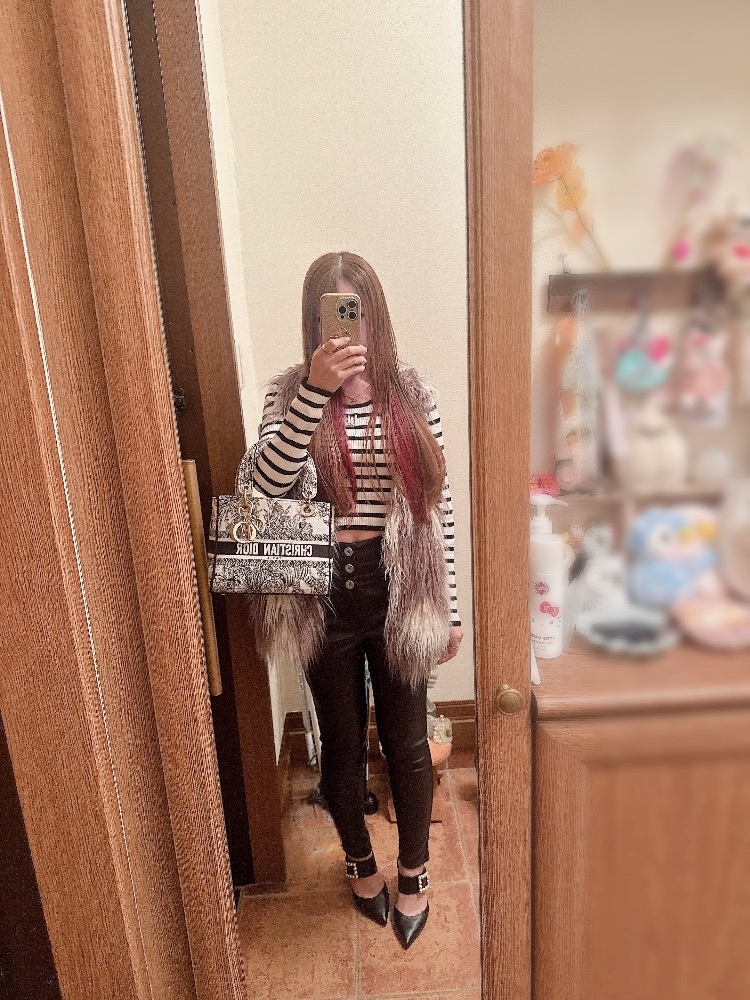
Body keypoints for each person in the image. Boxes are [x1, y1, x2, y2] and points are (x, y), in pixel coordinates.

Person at [247, 251, 463, 949]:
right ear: (313, 322)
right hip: (323, 595)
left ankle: (414, 872)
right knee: (342, 747)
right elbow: (266, 486)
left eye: (355, 311)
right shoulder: (288, 395)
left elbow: (436, 508)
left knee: (407, 743)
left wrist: (451, 609)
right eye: (330, 314)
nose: (345, 327)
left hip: (401, 589)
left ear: (376, 314)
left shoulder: (412, 393)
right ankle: (360, 864)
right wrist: (315, 392)